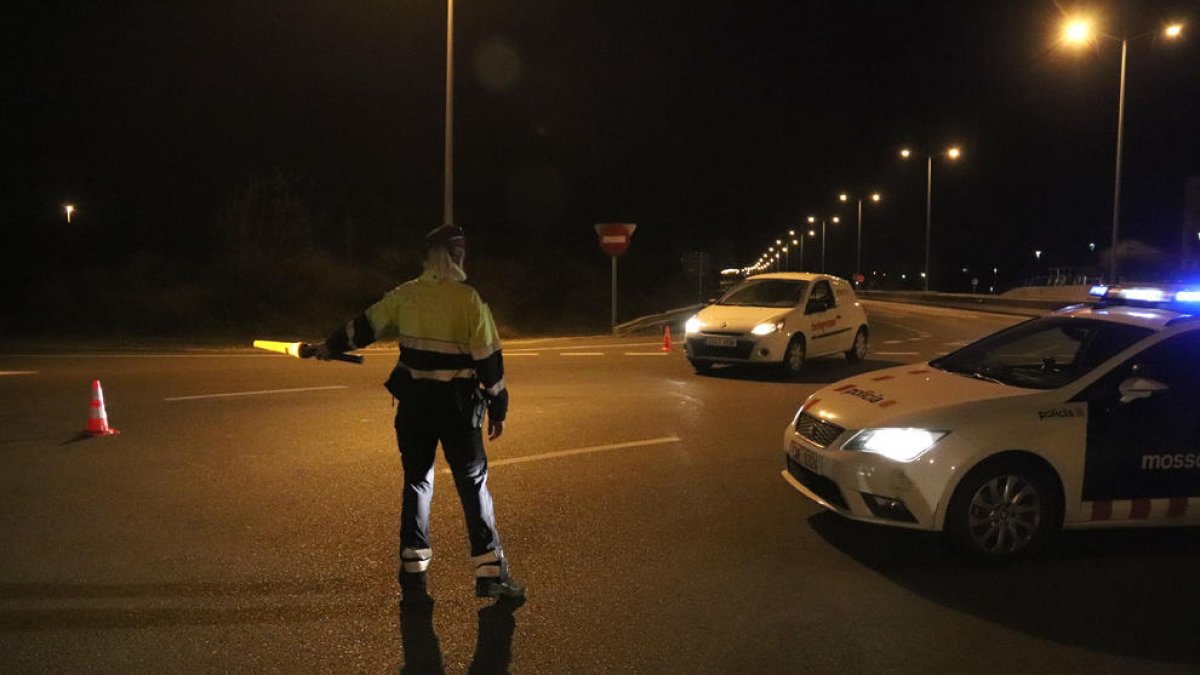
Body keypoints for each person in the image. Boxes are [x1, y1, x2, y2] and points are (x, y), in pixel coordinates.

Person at [302, 224, 524, 600]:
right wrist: (498, 408)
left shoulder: (405, 296)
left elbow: (362, 327)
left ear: (426, 258)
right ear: (457, 256)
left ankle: (413, 574)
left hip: (414, 408)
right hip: (457, 410)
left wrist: (326, 347)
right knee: (472, 486)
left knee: (418, 482)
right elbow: (489, 362)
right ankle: (489, 574)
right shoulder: (469, 301)